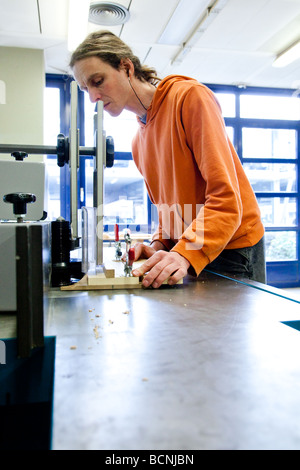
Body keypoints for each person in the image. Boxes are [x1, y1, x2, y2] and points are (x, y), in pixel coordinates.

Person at [70, 30, 266, 288]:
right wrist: (158, 244)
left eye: (98, 81)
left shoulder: (189, 98)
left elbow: (226, 199)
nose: (93, 97)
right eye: (86, 89)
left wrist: (182, 253)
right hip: (189, 248)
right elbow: (171, 211)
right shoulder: (138, 142)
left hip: (233, 249)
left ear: (127, 67)